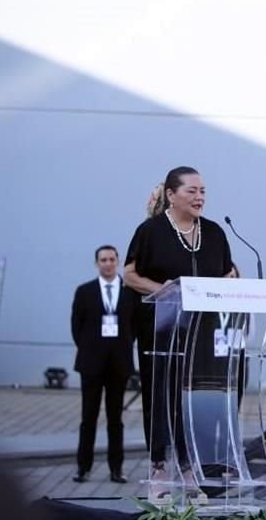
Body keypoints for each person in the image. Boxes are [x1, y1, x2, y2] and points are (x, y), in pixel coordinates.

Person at [124, 166, 236, 501]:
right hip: (162, 330)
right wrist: (164, 291)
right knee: (161, 398)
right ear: (171, 195)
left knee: (192, 399)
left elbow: (228, 271)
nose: (200, 196)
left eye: (203, 191)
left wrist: (231, 283)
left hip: (203, 332)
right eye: (192, 191)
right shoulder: (151, 231)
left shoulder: (215, 232)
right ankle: (159, 466)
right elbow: (130, 274)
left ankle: (189, 469)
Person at [70, 245, 134, 484]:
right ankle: (83, 467)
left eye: (111, 259)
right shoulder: (84, 291)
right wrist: (90, 349)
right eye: (103, 260)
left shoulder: (129, 292)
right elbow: (76, 326)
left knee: (115, 418)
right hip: (91, 364)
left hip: (118, 364)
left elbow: (134, 326)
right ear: (97, 263)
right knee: (89, 417)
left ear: (117, 262)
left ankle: (116, 469)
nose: (107, 263)